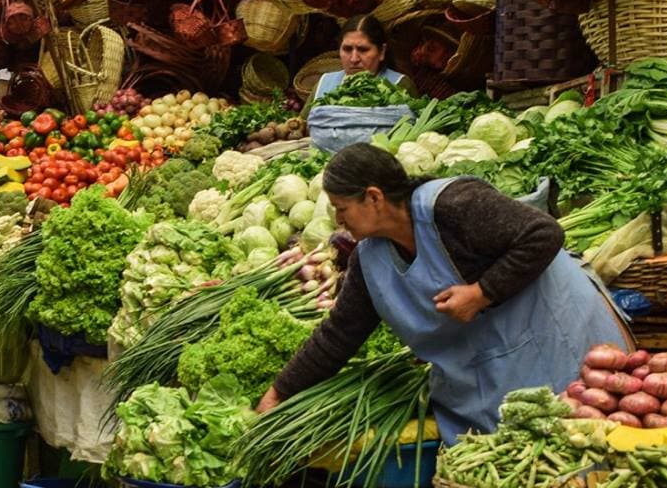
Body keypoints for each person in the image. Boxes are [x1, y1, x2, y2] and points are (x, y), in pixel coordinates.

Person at [258, 145, 628, 442]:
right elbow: (340, 334)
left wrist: (482, 293)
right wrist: (279, 392)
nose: (338, 221)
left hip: (554, 337)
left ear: (374, 198)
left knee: (587, 443)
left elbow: (543, 234)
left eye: (342, 208)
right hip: (493, 370)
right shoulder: (369, 260)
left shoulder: (453, 206)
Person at [309, 17, 411, 102]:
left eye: (363, 50)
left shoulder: (398, 85)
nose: (354, 59)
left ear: (382, 52)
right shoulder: (324, 84)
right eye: (347, 49)